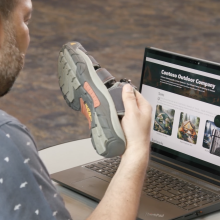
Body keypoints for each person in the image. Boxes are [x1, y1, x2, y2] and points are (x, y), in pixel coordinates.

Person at [0, 0, 152, 219]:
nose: (28, 38)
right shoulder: (7, 141)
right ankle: (111, 97)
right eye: (25, 20)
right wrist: (137, 151)